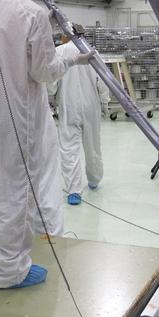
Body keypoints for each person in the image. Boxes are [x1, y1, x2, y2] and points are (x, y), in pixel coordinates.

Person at [0, 0, 91, 289]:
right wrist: (71, 57)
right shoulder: (32, 13)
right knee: (14, 191)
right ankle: (10, 270)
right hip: (12, 116)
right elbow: (43, 71)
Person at [53, 34, 110, 205]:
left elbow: (52, 81)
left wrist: (50, 99)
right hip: (91, 105)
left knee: (69, 147)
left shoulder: (59, 52)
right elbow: (103, 81)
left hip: (68, 104)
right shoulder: (93, 52)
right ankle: (94, 179)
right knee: (92, 144)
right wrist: (105, 102)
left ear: (65, 36)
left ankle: (74, 191)